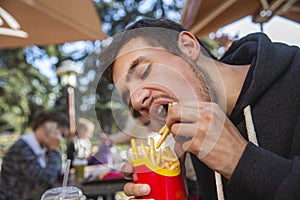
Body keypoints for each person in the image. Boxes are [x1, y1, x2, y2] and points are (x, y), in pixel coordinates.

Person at [98, 17, 300, 200]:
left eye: (144, 71)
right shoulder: (194, 121)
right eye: (128, 97)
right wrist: (174, 192)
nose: (136, 100)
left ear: (188, 46)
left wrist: (240, 160)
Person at [0, 111, 69, 200]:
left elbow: (51, 172)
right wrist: (54, 151)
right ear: (49, 126)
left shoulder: (39, 148)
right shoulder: (21, 149)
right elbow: (46, 181)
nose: (60, 139)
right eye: (61, 134)